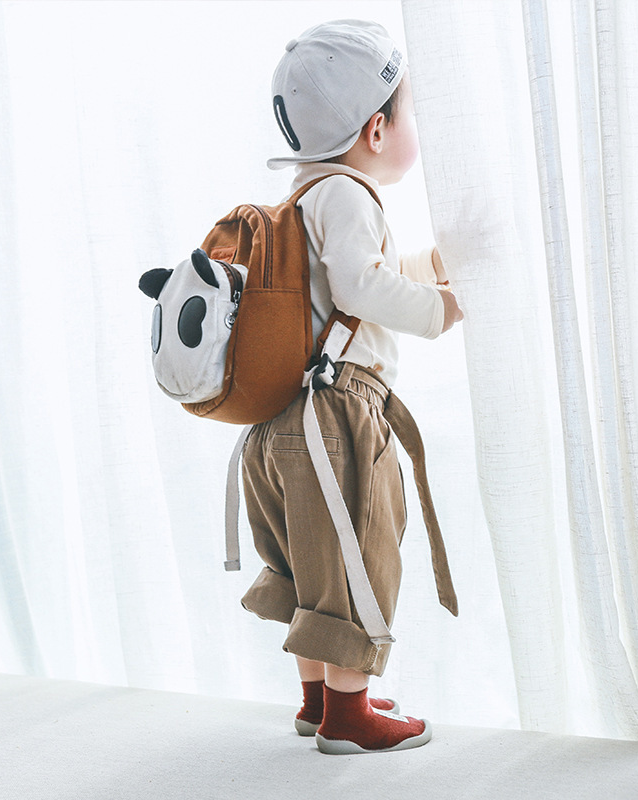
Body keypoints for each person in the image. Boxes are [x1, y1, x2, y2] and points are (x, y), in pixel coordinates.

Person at [240, 20, 463, 755]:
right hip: (338, 414)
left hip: (282, 417)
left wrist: (436, 263)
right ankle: (349, 715)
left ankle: (317, 702)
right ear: (375, 128)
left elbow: (361, 278)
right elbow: (362, 288)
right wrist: (442, 310)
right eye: (410, 111)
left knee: (309, 562)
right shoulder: (350, 195)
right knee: (356, 554)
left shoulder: (305, 195)